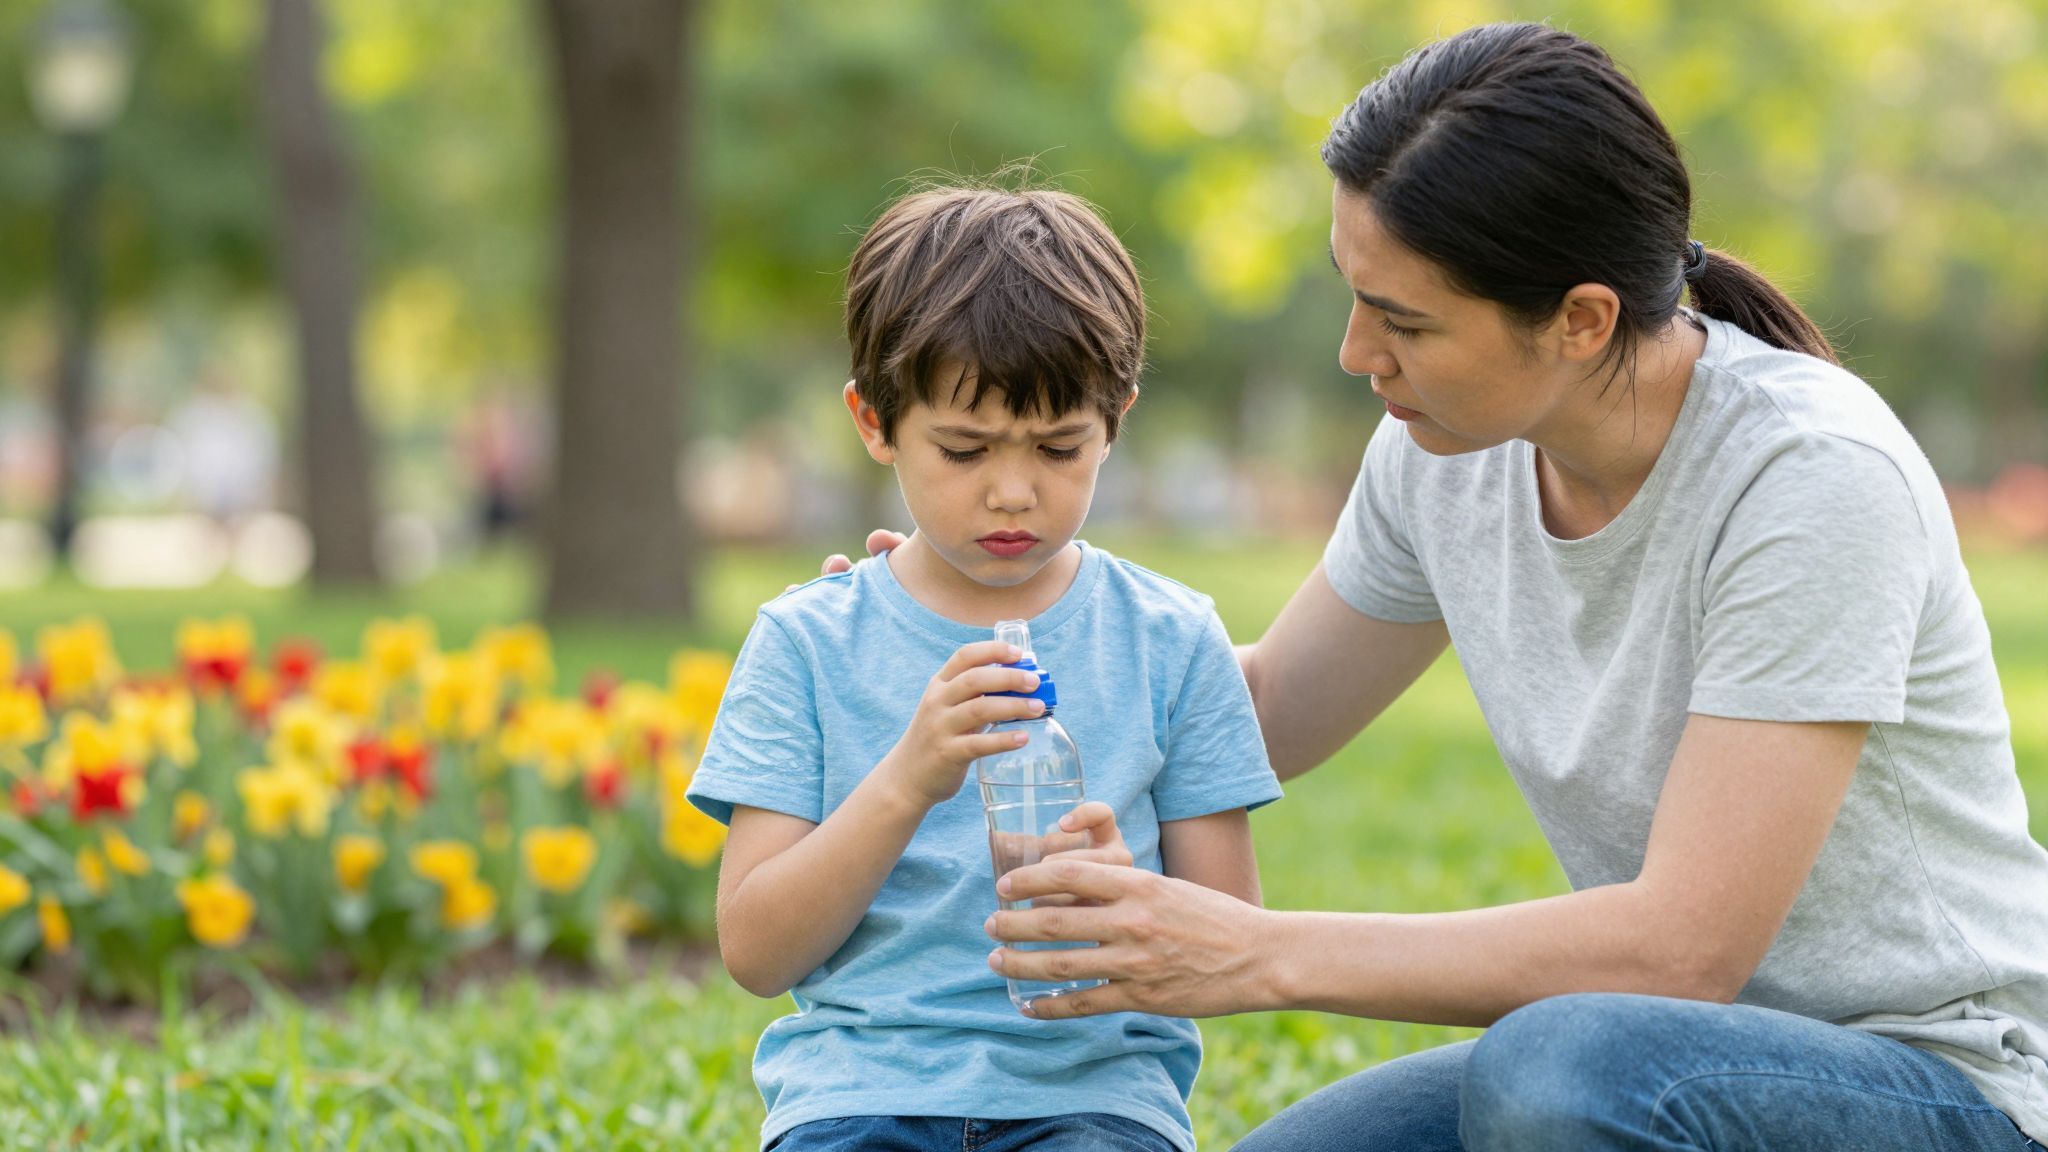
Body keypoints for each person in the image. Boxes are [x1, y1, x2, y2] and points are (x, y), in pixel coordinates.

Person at [829, 23, 2048, 1151]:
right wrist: (959, 638)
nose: (1357, 356)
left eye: (1398, 320)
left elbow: (1682, 952)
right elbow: (1247, 708)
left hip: (1938, 1079)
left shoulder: (1808, 479)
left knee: (1561, 1070)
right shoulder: (1440, 455)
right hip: (1649, 1050)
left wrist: (1254, 953)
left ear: (1578, 321)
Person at [688, 182, 1284, 1152]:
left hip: (1092, 1104)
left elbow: (1230, 945)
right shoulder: (806, 644)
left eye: (1059, 447)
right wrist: (908, 777)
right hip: (856, 1100)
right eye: (962, 450)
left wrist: (1127, 895)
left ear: (1116, 420)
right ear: (873, 421)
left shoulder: (1171, 640)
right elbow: (755, 950)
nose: (1013, 493)